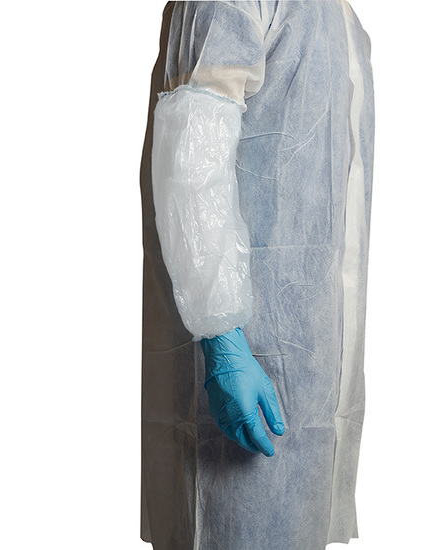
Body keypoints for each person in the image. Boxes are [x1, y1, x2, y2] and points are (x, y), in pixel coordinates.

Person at [138, 1, 375, 548]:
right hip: (241, 365)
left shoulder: (341, 18)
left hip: (313, 378)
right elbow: (190, 158)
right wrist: (221, 336)